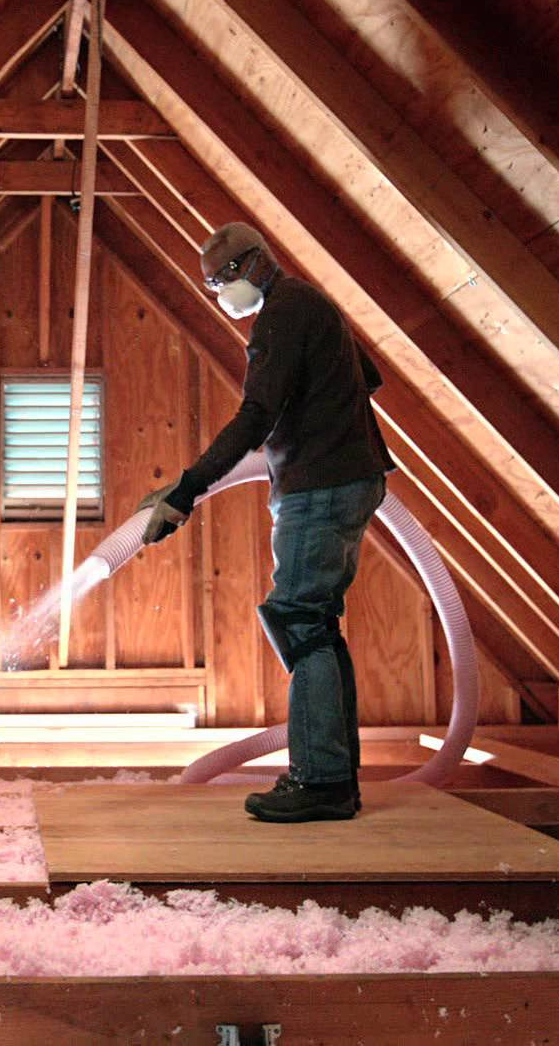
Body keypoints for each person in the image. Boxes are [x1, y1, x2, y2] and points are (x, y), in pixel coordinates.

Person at [136, 222, 393, 822]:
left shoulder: (281, 312)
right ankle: (335, 775)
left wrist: (189, 487)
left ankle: (322, 782)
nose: (222, 296)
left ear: (251, 267)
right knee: (316, 625)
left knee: (300, 621)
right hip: (348, 479)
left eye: (221, 283)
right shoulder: (312, 303)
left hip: (321, 486)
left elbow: (256, 414)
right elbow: (369, 376)